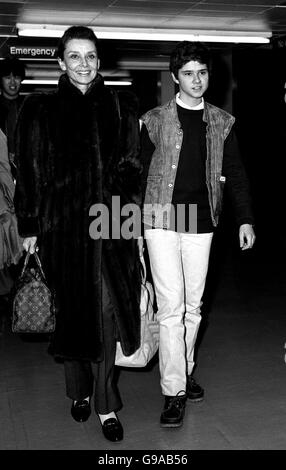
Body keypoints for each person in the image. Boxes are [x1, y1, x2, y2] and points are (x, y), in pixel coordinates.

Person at [14, 26, 142, 442]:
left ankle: (106, 404)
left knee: (106, 317)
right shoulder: (40, 111)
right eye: (74, 56)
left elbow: (129, 172)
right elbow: (30, 176)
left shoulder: (121, 107)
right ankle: (78, 391)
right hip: (62, 232)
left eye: (90, 56)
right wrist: (30, 227)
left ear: (99, 61)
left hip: (110, 231)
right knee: (72, 315)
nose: (83, 64)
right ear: (61, 62)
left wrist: (131, 230)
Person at [139, 41, 256, 428]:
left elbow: (236, 173)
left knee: (193, 307)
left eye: (202, 72)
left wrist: (245, 219)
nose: (196, 79)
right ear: (175, 77)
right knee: (171, 307)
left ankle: (184, 371)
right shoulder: (153, 120)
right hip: (159, 218)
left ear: (210, 75)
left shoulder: (222, 123)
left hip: (200, 220)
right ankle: (173, 391)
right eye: (187, 73)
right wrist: (129, 228)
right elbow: (137, 175)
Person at [0, 57, 26, 312]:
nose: (13, 82)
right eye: (8, 77)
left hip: (23, 184)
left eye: (16, 77)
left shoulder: (28, 106)